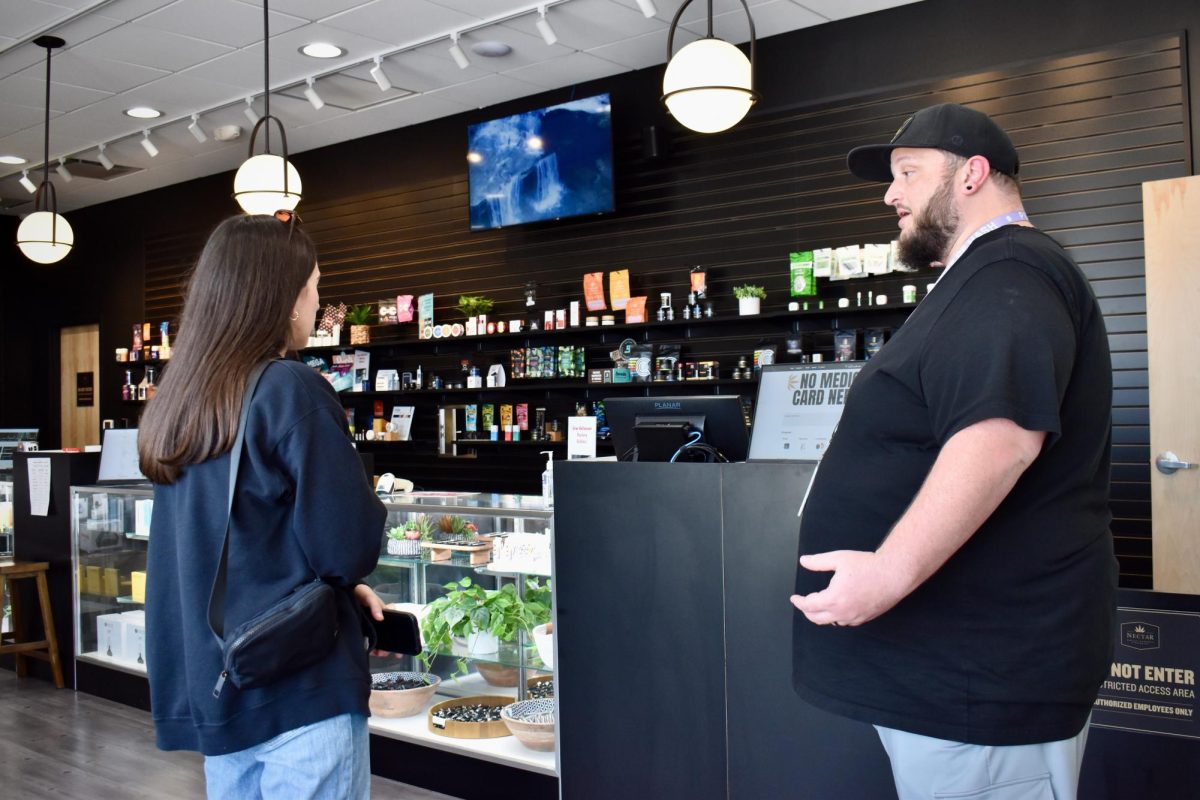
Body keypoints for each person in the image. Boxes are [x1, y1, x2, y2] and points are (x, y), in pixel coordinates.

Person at [789, 103, 1117, 799]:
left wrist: (885, 574)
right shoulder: (983, 278)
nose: (890, 194)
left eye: (908, 172)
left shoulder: (1011, 272)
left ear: (971, 175)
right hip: (952, 672)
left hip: (984, 678)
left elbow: (998, 441)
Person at [138, 213, 387, 799]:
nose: (319, 300)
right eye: (315, 285)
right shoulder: (290, 387)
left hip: (221, 686)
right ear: (284, 294)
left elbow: (231, 538)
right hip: (299, 687)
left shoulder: (182, 401)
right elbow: (346, 546)